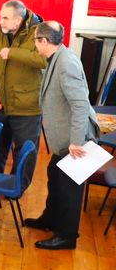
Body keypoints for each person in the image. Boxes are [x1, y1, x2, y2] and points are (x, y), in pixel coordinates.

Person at [26, 21, 100, 250]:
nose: (34, 44)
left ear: (44, 41)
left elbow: (79, 105)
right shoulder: (57, 57)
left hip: (75, 138)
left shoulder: (66, 63)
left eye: (36, 40)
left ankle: (67, 236)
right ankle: (50, 219)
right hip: (64, 136)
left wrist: (76, 142)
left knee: (69, 187)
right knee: (55, 177)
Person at [0, 0, 46, 184]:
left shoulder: (40, 32)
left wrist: (12, 52)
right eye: (0, 16)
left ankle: (17, 187)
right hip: (0, 102)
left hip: (27, 106)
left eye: (5, 18)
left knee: (25, 151)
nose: (0, 21)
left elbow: (44, 60)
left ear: (18, 20)